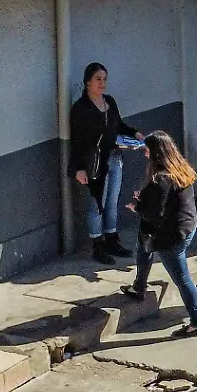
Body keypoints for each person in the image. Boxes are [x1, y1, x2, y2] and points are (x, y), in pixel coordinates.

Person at [121, 132, 197, 337]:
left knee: (183, 279)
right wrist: (146, 199)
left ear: (157, 153)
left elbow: (153, 214)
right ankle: (139, 286)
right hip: (188, 227)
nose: (145, 155)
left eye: (147, 150)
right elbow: (167, 201)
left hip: (172, 236)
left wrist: (136, 206)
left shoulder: (159, 179)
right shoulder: (181, 170)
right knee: (143, 243)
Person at [69, 62, 140, 265]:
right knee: (96, 205)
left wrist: (134, 134)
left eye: (104, 79)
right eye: (98, 79)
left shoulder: (109, 101)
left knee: (112, 201)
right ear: (87, 82)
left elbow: (119, 125)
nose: (102, 83)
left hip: (114, 158)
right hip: (94, 163)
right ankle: (97, 244)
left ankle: (112, 238)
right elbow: (76, 141)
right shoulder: (80, 108)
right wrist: (79, 168)